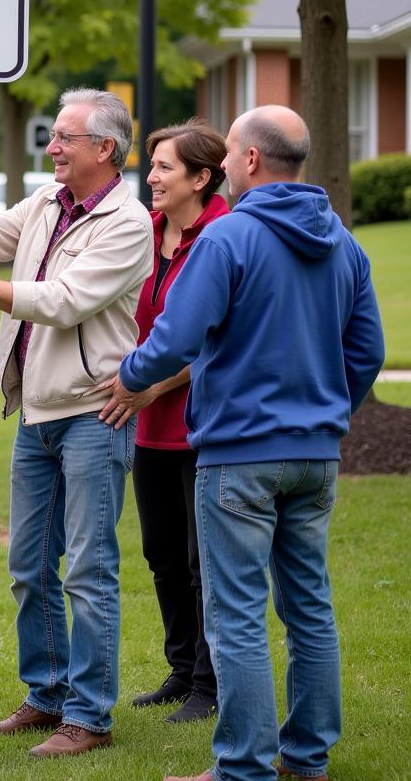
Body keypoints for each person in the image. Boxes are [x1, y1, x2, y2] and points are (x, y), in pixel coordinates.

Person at [114, 106, 385, 781]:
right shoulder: (344, 243)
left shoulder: (227, 238)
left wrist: (130, 374)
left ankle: (242, 768)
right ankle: (306, 758)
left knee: (235, 616)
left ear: (252, 161)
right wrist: (326, 414)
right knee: (309, 608)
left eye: (230, 154)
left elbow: (173, 339)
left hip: (239, 457)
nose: (226, 165)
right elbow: (368, 351)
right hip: (316, 456)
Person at [0, 88, 153, 759]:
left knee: (90, 570)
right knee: (29, 565)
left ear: (104, 148)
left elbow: (63, 302)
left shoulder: (128, 222)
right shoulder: (47, 202)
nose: (51, 147)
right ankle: (46, 695)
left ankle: (90, 717)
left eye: (64, 138)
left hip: (91, 418)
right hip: (37, 414)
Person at [99, 120, 228, 724]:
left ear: (201, 177)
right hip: (148, 425)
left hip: (203, 424)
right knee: (162, 553)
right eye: (149, 166)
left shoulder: (223, 235)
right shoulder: (145, 234)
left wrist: (151, 386)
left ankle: (211, 682)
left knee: (205, 561)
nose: (149, 177)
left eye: (164, 168)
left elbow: (211, 338)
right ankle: (181, 669)